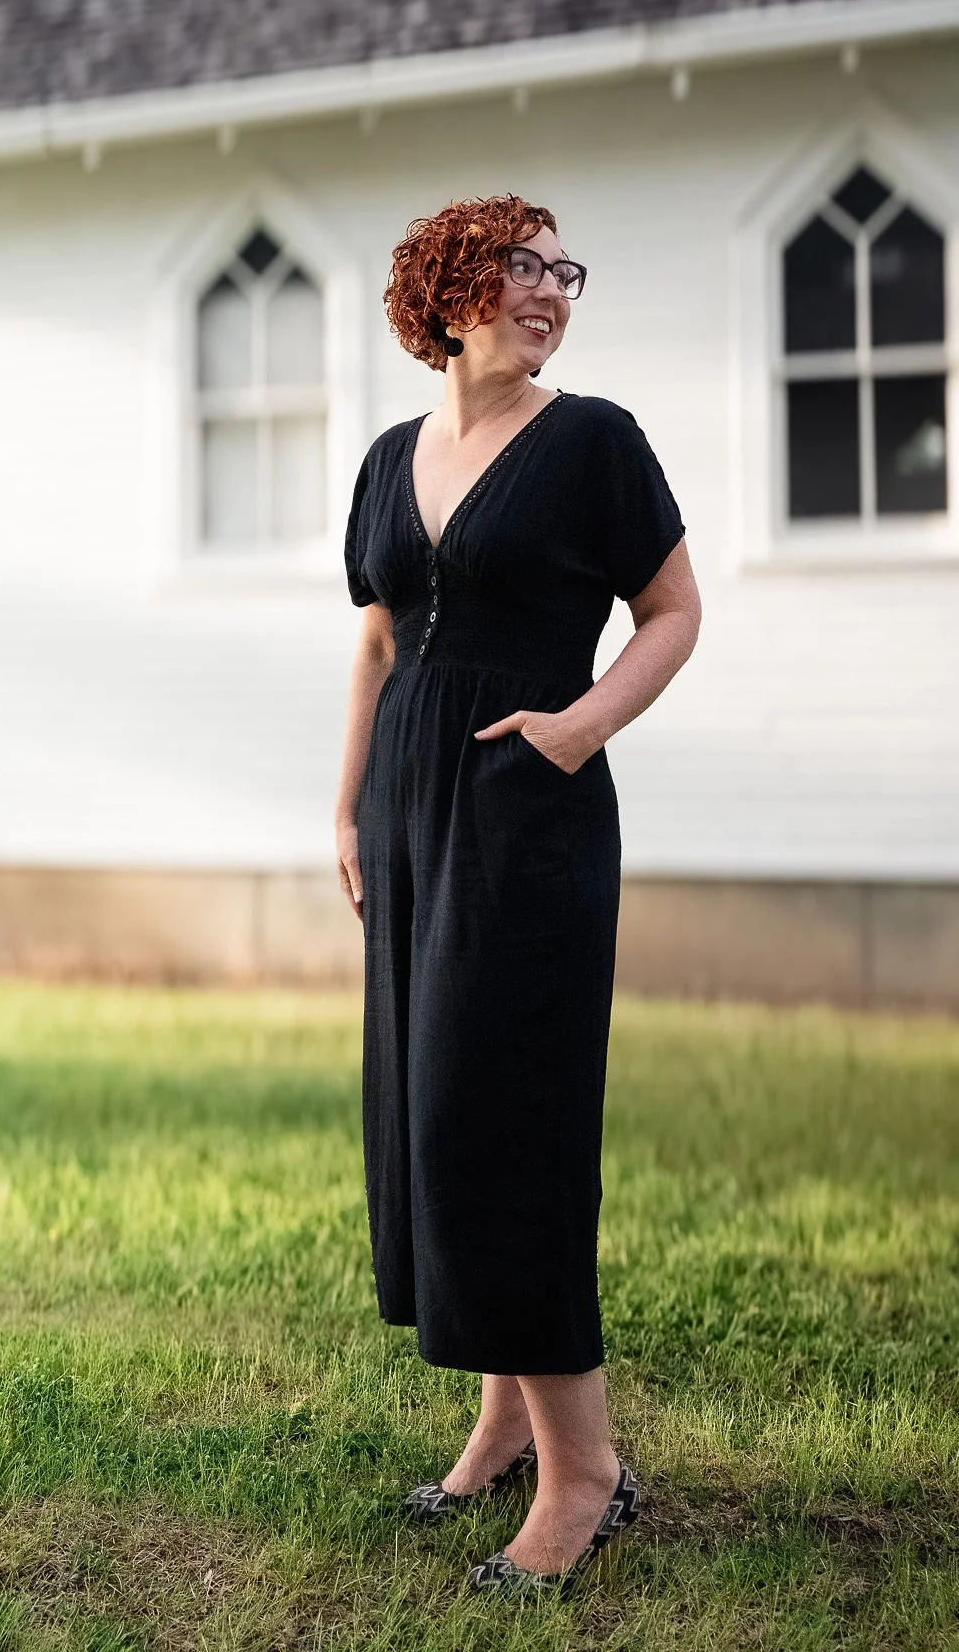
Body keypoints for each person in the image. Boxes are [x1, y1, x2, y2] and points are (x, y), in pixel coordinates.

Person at [335, 193, 701, 1596]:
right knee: (429, 1111)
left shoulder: (593, 443)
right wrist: (349, 803)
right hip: (411, 811)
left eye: (564, 271)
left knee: (501, 1114)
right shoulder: (386, 460)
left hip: (528, 809)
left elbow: (674, 613)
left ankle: (586, 1476)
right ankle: (499, 1415)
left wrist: (576, 727)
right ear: (446, 291)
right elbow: (377, 641)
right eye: (520, 267)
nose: (550, 291)